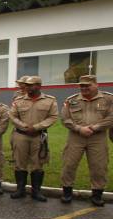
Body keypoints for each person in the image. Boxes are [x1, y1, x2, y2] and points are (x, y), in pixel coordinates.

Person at [59, 75, 112, 206]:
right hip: (76, 137)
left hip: (98, 137)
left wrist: (95, 127)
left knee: (99, 166)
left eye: (87, 85)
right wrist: (78, 128)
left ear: (96, 85)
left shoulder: (108, 99)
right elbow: (65, 119)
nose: (84, 88)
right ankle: (67, 192)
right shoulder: (71, 100)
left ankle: (97, 195)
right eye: (81, 86)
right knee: (69, 164)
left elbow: (111, 118)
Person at [9, 76, 58, 201]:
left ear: (39, 86)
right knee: (20, 163)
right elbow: (12, 116)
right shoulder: (18, 100)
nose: (28, 87)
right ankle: (20, 189)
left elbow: (53, 117)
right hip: (21, 135)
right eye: (27, 85)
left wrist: (37, 127)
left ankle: (36, 191)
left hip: (38, 136)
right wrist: (23, 125)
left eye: (31, 85)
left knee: (37, 164)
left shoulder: (49, 100)